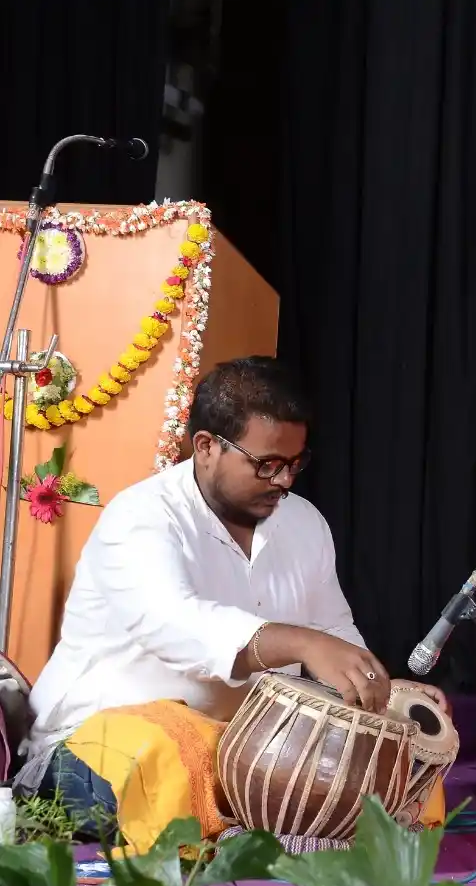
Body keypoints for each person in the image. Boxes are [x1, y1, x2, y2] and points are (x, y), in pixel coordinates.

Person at [14, 356, 449, 839]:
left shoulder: (303, 522)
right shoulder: (141, 517)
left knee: (397, 757)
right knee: (169, 756)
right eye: (267, 465)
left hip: (245, 743)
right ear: (206, 447)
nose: (284, 481)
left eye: (295, 463)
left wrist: (379, 690)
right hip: (97, 738)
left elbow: (333, 634)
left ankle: (248, 823)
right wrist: (301, 644)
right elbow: (172, 622)